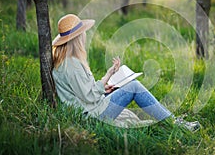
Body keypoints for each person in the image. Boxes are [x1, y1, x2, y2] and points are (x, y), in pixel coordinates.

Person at [52, 14, 200, 131]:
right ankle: (175, 123)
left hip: (89, 110)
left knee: (130, 86)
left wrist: (106, 83)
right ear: (78, 38)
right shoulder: (73, 65)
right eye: (82, 33)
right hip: (91, 116)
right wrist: (104, 83)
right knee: (134, 86)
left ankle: (171, 121)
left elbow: (83, 92)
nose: (85, 36)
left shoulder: (64, 61)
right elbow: (89, 96)